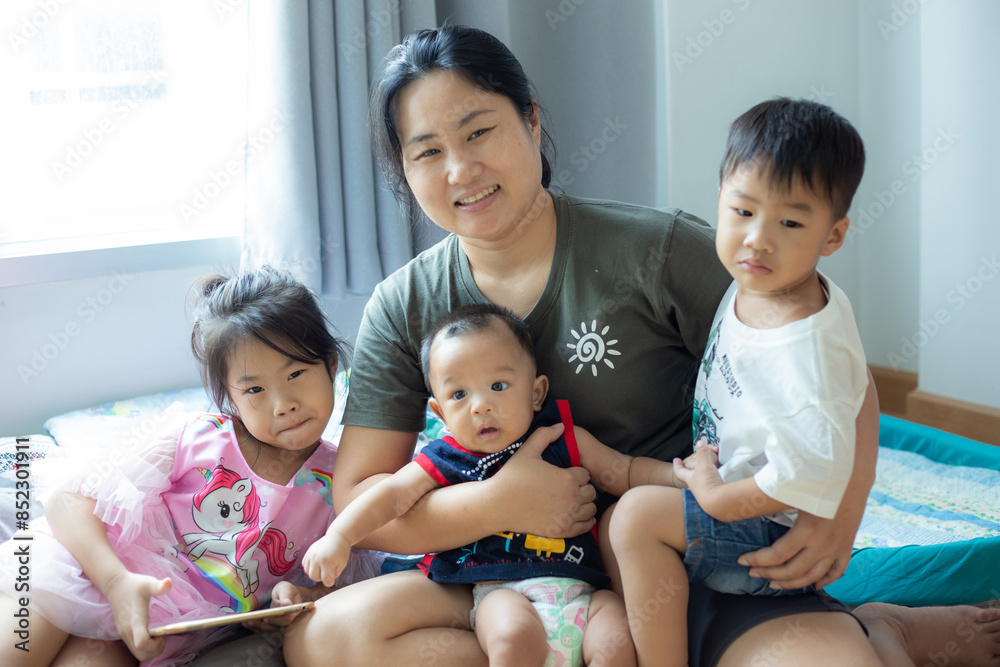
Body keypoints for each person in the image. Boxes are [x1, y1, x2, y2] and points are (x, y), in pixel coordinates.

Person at [280, 24, 1000, 667]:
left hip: (682, 568)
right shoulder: (402, 304)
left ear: (531, 120)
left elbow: (833, 368)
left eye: (478, 133)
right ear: (404, 172)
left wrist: (842, 509)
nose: (459, 170)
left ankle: (879, 628)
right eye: (428, 152)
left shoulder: (656, 251)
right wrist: (500, 505)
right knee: (325, 641)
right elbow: (361, 498)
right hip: (497, 583)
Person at [0, 267, 382, 667]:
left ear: (331, 366)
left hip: (156, 628)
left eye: (296, 373)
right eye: (255, 389)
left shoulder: (343, 482)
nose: (282, 404)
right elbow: (66, 502)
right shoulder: (193, 438)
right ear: (231, 398)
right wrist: (115, 583)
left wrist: (298, 598)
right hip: (86, 567)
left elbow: (346, 589)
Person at [610, 98, 870, 666]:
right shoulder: (762, 283)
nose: (758, 239)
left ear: (832, 236)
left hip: (770, 537)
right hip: (730, 493)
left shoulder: (804, 350)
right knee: (621, 511)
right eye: (744, 210)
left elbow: (808, 473)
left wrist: (713, 495)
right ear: (720, 200)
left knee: (635, 519)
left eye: (790, 223)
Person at [306, 303, 694, 665]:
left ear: (536, 393)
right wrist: (340, 536)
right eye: (459, 394)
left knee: (617, 639)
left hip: (583, 591)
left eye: (498, 386)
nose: (481, 405)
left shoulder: (562, 438)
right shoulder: (445, 458)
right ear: (440, 412)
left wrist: (678, 474)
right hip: (501, 593)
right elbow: (390, 496)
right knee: (511, 637)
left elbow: (627, 471)